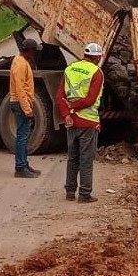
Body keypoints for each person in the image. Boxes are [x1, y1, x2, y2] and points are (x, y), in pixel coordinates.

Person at [55, 42, 104, 203]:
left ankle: (70, 191)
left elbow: (59, 96)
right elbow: (90, 99)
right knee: (86, 159)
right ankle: (84, 194)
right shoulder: (97, 73)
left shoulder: (70, 68)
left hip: (71, 121)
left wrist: (66, 113)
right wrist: (74, 105)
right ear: (96, 58)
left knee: (72, 157)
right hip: (88, 122)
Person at [9, 38, 43, 178]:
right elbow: (20, 89)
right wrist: (27, 109)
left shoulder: (21, 61)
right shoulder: (20, 64)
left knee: (24, 136)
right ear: (28, 51)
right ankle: (20, 167)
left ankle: (24, 163)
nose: (35, 53)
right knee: (22, 137)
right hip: (20, 103)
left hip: (21, 103)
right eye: (34, 51)